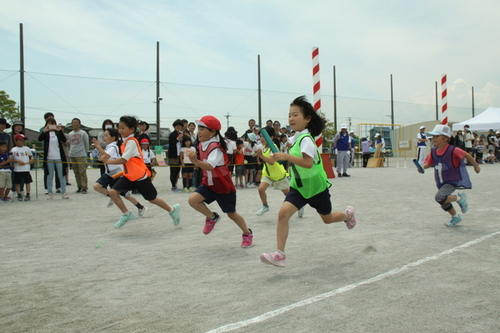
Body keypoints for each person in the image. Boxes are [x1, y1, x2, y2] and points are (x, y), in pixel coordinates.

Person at [260, 96, 356, 267]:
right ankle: (279, 254)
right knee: (283, 214)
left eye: (295, 115)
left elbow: (307, 162)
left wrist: (286, 156)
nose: (291, 118)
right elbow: (284, 144)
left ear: (307, 119)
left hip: (316, 188)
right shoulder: (295, 138)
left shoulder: (306, 140)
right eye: (289, 115)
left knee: (327, 218)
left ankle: (348, 215)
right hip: (299, 187)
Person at [101, 116, 181, 228]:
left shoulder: (132, 142)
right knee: (113, 192)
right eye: (119, 128)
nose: (120, 130)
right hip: (129, 176)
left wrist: (107, 161)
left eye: (123, 128)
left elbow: (124, 159)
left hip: (139, 177)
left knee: (152, 199)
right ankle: (127, 214)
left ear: (132, 129)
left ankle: (172, 210)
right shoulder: (124, 142)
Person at [186, 115, 253, 248]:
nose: (199, 132)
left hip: (223, 185)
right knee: (193, 200)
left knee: (231, 214)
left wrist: (196, 162)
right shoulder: (201, 144)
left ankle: (247, 233)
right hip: (209, 183)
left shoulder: (216, 147)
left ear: (213, 132)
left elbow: (210, 165)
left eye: (202, 129)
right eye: (198, 128)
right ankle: (212, 217)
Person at [419, 124, 480, 227]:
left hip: (452, 179)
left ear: (446, 138)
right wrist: (422, 167)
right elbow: (429, 163)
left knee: (439, 197)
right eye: (433, 136)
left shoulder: (453, 149)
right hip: (441, 181)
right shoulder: (434, 151)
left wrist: (475, 166)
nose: (433, 139)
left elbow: (467, 155)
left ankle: (460, 199)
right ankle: (455, 217)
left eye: (436, 136)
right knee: (443, 201)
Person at [91, 129, 147, 216]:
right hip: (108, 173)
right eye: (104, 136)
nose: (104, 138)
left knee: (126, 195)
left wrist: (98, 147)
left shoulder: (113, 147)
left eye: (106, 136)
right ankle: (112, 197)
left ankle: (141, 207)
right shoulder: (108, 146)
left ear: (113, 138)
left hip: (117, 174)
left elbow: (107, 155)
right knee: (96, 186)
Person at [255, 126, 304, 217]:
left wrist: (260, 155)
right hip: (268, 173)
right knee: (261, 189)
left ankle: (299, 205)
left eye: (264, 137)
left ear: (271, 138)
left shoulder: (273, 147)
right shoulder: (262, 147)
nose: (261, 139)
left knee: (287, 194)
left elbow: (271, 161)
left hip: (278, 174)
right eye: (260, 137)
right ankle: (265, 206)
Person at [38, 118, 69, 199]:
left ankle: (64, 191)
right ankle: (49, 192)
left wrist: (60, 131)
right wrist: (44, 131)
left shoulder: (57, 133)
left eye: (53, 123)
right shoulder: (46, 134)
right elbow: (39, 139)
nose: (51, 125)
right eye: (49, 123)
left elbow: (64, 140)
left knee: (61, 175)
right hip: (49, 157)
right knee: (49, 175)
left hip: (58, 157)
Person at [11, 134, 34, 201]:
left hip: (26, 169)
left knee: (27, 182)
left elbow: (31, 155)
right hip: (17, 169)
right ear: (16, 141)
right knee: (17, 182)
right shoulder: (14, 149)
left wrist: (31, 159)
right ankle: (19, 194)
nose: (22, 141)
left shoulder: (27, 148)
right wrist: (18, 161)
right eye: (20, 140)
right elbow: (11, 159)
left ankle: (28, 194)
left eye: (23, 140)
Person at [68, 118, 89, 194]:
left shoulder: (83, 133)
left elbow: (86, 143)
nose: (75, 124)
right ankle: (79, 186)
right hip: (73, 154)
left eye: (77, 122)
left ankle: (84, 187)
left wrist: (85, 152)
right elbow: (70, 143)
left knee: (82, 171)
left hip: (81, 154)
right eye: (74, 122)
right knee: (76, 172)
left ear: (79, 124)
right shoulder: (70, 134)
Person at [168, 119, 184, 192]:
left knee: (178, 171)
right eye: (176, 126)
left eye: (179, 126)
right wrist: (177, 139)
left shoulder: (181, 134)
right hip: (173, 155)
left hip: (180, 154)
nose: (178, 127)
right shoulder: (172, 134)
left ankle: (175, 185)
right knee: (173, 171)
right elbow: (171, 145)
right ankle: (173, 186)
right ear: (174, 127)